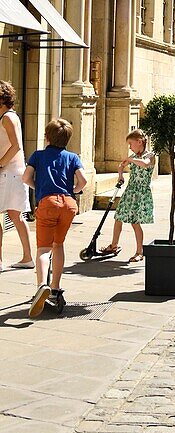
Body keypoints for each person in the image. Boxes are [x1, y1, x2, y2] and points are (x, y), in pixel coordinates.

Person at [23, 117, 87, 317]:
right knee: (58, 245)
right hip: (68, 204)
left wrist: (40, 189)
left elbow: (26, 178)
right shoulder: (72, 157)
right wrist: (72, 190)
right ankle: (56, 286)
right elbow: (83, 181)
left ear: (46, 137)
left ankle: (42, 286)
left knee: (43, 248)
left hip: (47, 203)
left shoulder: (38, 155)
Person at [99, 129, 155, 262]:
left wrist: (131, 159)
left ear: (139, 142)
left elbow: (145, 164)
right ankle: (113, 245)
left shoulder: (150, 155)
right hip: (130, 191)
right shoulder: (134, 156)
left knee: (135, 223)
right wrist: (120, 174)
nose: (130, 147)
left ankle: (139, 252)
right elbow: (121, 166)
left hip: (141, 193)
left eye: (131, 144)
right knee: (118, 217)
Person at [0, 81, 33, 270]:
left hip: (8, 173)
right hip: (12, 174)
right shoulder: (8, 117)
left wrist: (0, 163)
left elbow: (16, 146)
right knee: (15, 216)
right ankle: (27, 258)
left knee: (14, 216)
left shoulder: (7, 118)